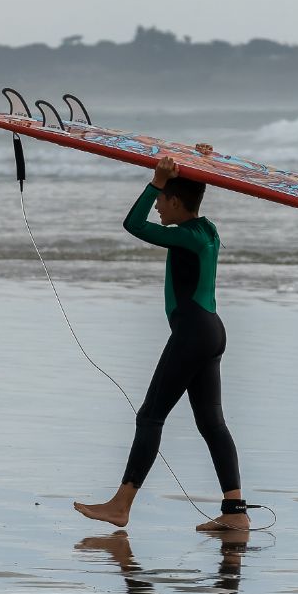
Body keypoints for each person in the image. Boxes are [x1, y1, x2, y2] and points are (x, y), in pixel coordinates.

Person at [74, 154, 249, 532]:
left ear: (173, 200)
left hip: (192, 334)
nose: (157, 204)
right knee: (211, 422)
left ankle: (121, 505)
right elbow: (194, 192)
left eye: (161, 197)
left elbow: (132, 224)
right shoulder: (207, 230)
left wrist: (155, 180)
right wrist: (201, 162)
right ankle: (236, 514)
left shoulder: (184, 237)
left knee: (150, 415)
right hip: (212, 331)